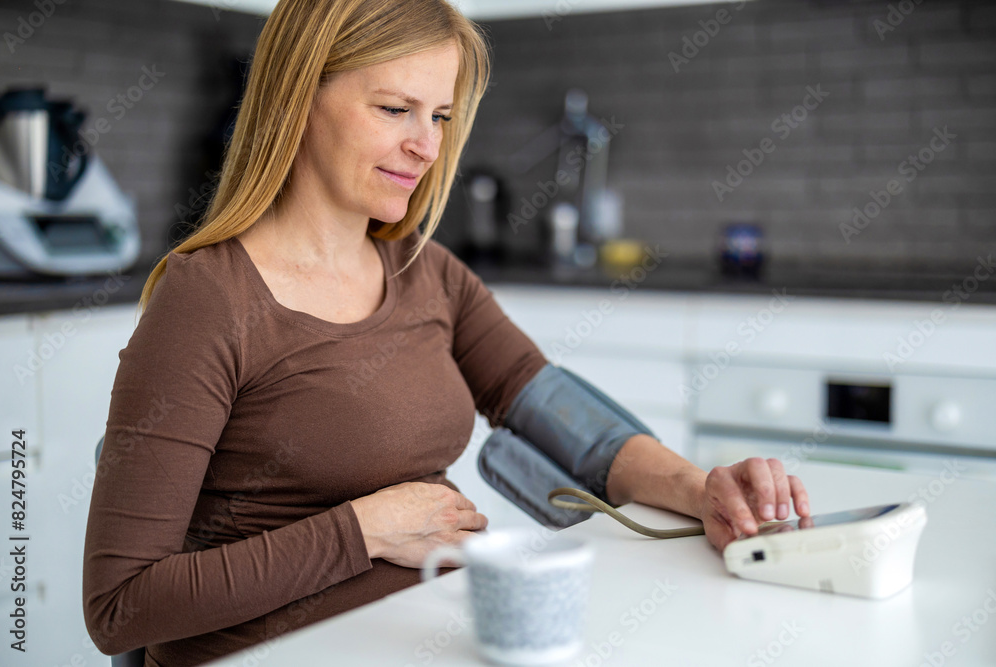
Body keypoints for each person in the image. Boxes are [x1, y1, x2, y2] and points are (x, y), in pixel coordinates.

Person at [82, 1, 810, 665]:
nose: (426, 147)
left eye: (439, 117)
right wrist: (362, 530)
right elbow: (120, 606)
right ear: (298, 99)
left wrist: (702, 487)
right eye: (396, 108)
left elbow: (559, 417)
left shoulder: (427, 273)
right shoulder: (205, 300)